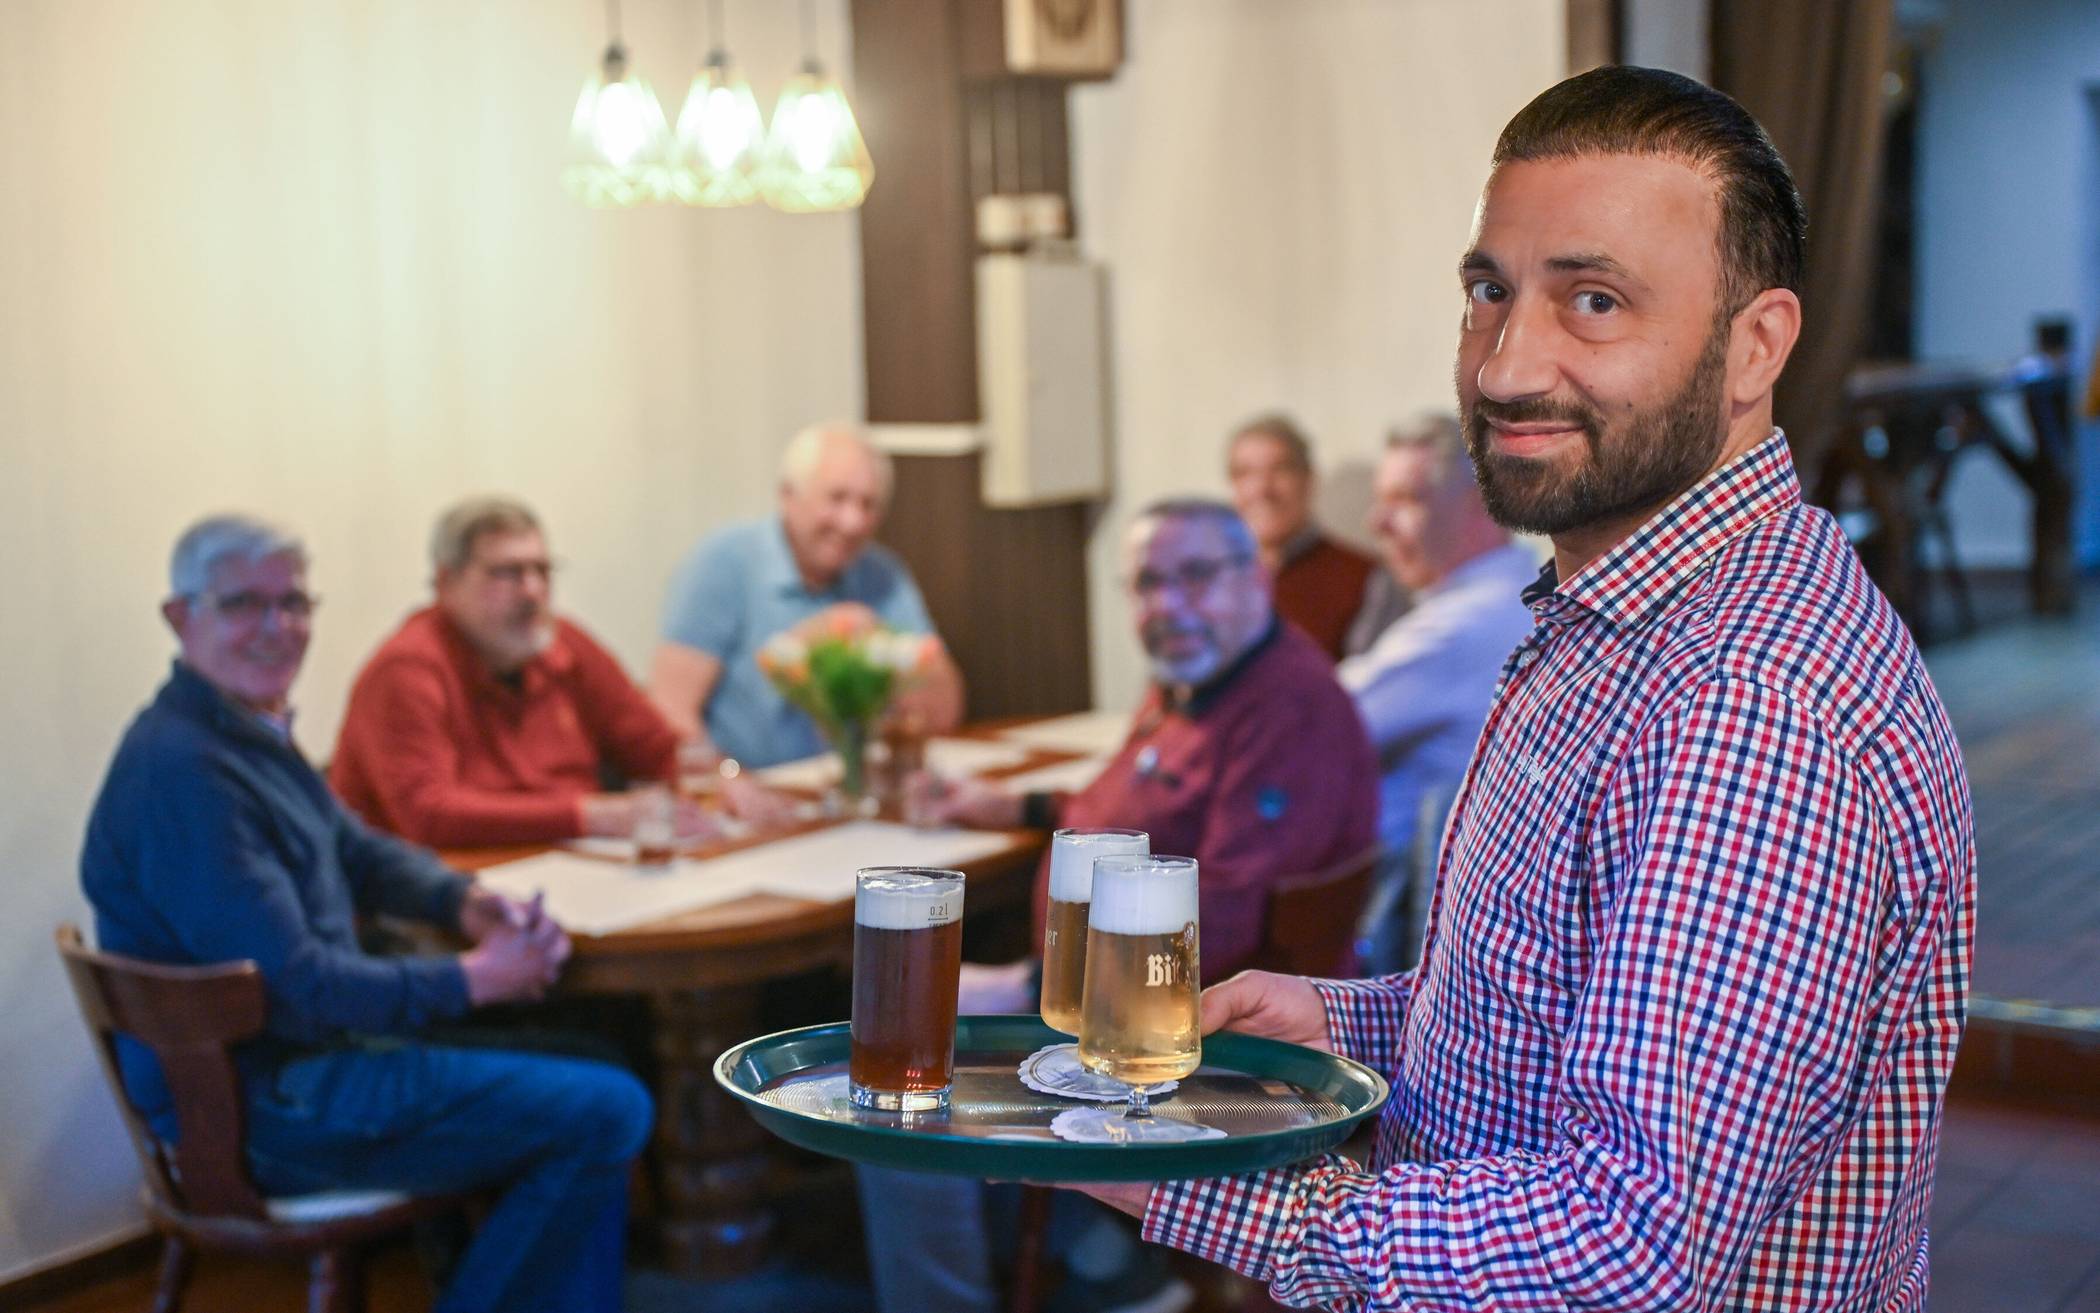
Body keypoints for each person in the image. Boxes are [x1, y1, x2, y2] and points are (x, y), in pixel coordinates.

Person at [1071, 67, 1975, 1312]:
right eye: (1489, 292)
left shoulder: (1752, 706)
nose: (1502, 368)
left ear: (1756, 345)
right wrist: (1350, 1018)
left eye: (1592, 301)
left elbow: (1624, 1244)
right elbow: (1555, 1019)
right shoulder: (1610, 621)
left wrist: (1177, 1172)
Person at [81, 514, 654, 1313]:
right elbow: (304, 986)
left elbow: (360, 852)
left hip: (300, 1067)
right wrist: (474, 978)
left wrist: (466, 899)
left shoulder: (240, 731)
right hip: (263, 1109)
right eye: (245, 603)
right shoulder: (186, 773)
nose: (277, 627)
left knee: (598, 1056)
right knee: (607, 1108)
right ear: (182, 617)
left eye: (294, 602)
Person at [860, 498, 1379, 1313]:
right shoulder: (1193, 677)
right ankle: (1103, 1258)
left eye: (1195, 576)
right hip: (1089, 1000)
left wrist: (1057, 1003)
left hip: (1206, 1051)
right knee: (904, 1034)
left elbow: (1227, 932)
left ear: (1257, 578)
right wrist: (1017, 805)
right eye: (1146, 583)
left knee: (898, 1079)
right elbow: (1117, 799)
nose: (1167, 605)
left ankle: (1030, 1280)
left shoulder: (1289, 709)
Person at [331, 497, 725, 847]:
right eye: (508, 573)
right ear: (445, 582)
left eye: (542, 570)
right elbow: (428, 815)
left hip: (573, 867)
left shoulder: (563, 642)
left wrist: (721, 783)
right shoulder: (406, 669)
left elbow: (653, 747)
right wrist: (594, 816)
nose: (533, 590)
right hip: (448, 901)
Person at [1338, 413, 1536, 972]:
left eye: (1407, 499)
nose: (1377, 522)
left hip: (1389, 938)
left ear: (1481, 506)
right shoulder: (1519, 593)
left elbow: (1308, 729)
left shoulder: (1466, 623)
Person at [649, 423, 965, 769]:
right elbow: (670, 714)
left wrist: (879, 638)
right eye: (837, 498)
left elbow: (943, 713)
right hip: (752, 792)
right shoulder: (724, 562)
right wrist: (729, 784)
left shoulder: (882, 574)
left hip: (855, 786)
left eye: (869, 504)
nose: (853, 522)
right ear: (788, 495)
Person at [1226, 414, 1403, 660]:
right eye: (1245, 474)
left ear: (1309, 479)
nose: (1262, 489)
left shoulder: (1365, 580)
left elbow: (1371, 691)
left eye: (1280, 470)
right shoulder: (1210, 581)